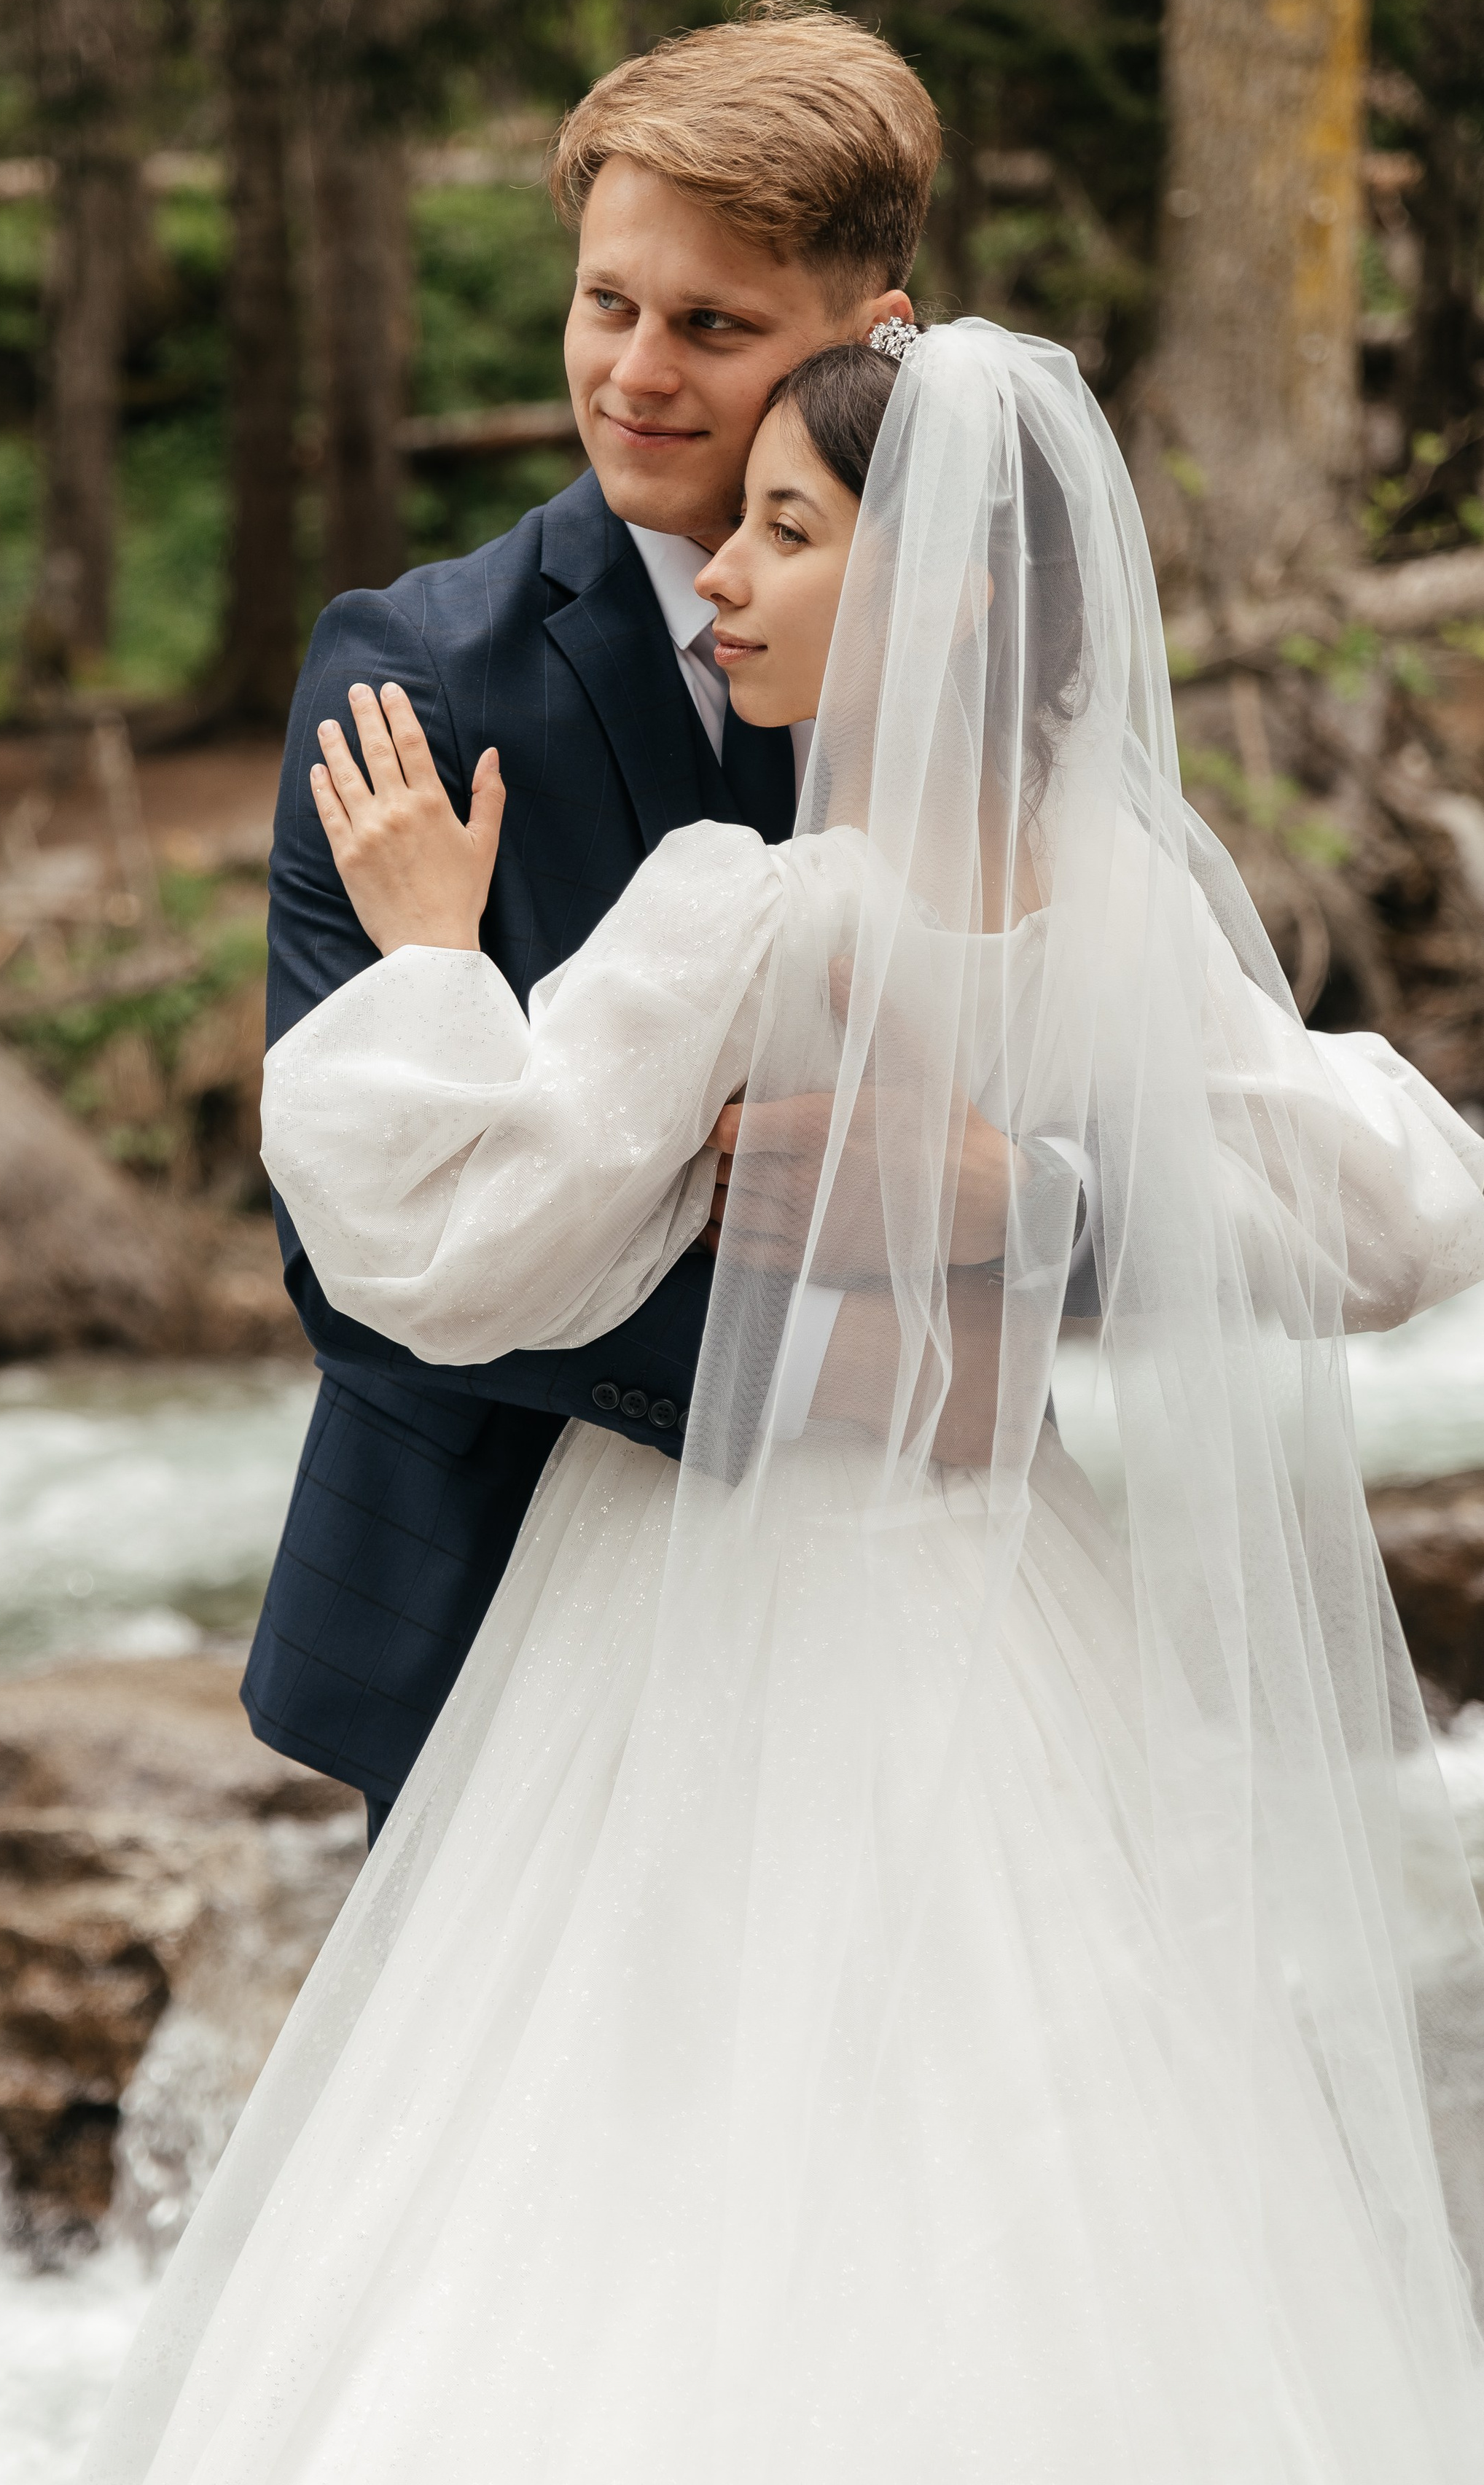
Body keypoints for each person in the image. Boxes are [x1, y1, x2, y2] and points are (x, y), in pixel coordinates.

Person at [85, 321, 1484, 2482]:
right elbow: (1397, 1209)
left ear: (938, 601)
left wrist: (437, 961)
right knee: (1049, 2166)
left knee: (619, 2186)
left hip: (695, 1607)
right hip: (1019, 1602)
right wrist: (1079, 1196)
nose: (721, 573)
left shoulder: (758, 911)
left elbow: (446, 1245)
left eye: (786, 531)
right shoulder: (1123, 905)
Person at [243, 3, 1009, 1839]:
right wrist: (842, 1374)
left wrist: (1010, 1194)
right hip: (506, 1614)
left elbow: (1153, 1078)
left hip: (917, 1617)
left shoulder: (982, 672)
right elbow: (345, 1231)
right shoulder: (415, 678)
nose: (636, 374)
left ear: (872, 330)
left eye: (712, 326)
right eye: (607, 304)